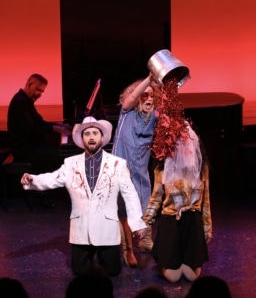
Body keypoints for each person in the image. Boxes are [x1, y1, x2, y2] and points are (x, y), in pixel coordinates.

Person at [20, 116, 147, 277]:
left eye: (95, 133)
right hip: (82, 226)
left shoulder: (117, 163)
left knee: (114, 271)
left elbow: (130, 194)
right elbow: (53, 178)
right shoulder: (71, 163)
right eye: (87, 134)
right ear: (82, 139)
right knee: (80, 273)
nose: (91, 137)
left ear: (102, 138)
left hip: (106, 227)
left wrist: (137, 223)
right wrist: (33, 180)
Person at [142, 119, 212, 283]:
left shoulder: (201, 168)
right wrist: (145, 224)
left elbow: (206, 199)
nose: (184, 142)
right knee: (172, 278)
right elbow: (156, 197)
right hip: (171, 220)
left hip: (192, 221)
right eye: (179, 139)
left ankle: (183, 260)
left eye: (187, 138)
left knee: (191, 276)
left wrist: (207, 226)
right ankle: (166, 261)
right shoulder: (163, 167)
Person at [112, 73, 162, 267]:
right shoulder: (127, 112)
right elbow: (130, 99)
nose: (148, 99)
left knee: (145, 205)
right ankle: (126, 248)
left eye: (152, 96)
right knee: (122, 210)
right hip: (120, 171)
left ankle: (145, 240)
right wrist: (149, 80)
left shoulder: (154, 117)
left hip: (139, 173)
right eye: (145, 95)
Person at [7, 73, 71, 172]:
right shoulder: (20, 101)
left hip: (31, 146)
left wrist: (59, 125)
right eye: (38, 89)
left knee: (60, 151)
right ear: (29, 85)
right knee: (62, 156)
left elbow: (39, 122)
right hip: (24, 150)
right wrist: (55, 128)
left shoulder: (26, 100)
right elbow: (32, 129)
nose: (39, 94)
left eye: (42, 91)